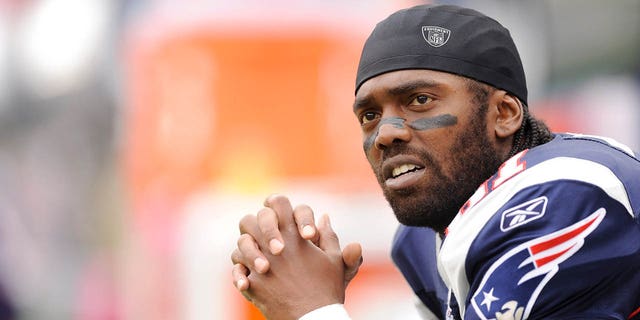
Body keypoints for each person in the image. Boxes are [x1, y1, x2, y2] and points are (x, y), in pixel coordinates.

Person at [230, 4, 640, 320]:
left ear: (504, 114)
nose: (386, 133)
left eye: (420, 100)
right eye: (369, 115)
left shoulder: (565, 195)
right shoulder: (424, 238)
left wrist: (312, 307)